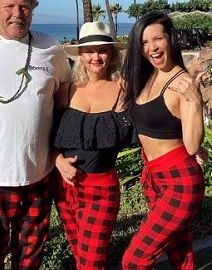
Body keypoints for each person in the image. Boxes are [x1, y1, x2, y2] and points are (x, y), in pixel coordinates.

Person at [0, 0, 71, 269]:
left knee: (30, 262)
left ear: (33, 8)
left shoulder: (51, 48)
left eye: (25, 6)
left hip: (38, 176)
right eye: (9, 6)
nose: (17, 13)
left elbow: (63, 99)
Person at [120, 11, 206, 270]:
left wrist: (196, 101)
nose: (151, 48)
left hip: (180, 182)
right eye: (144, 42)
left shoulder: (183, 84)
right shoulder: (147, 77)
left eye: (157, 39)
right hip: (155, 177)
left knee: (134, 261)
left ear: (170, 39)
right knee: (179, 251)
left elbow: (191, 146)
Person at [51, 21, 135, 270]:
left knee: (92, 262)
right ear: (80, 55)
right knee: (79, 255)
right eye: (89, 51)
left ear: (112, 54)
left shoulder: (124, 90)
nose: (95, 56)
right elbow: (45, 136)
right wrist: (58, 161)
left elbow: (154, 120)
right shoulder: (64, 91)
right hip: (65, 187)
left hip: (102, 188)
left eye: (102, 50)